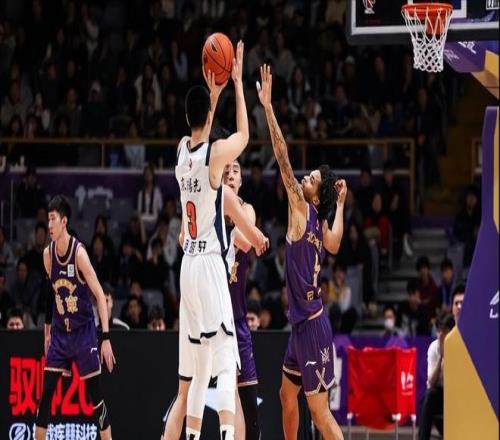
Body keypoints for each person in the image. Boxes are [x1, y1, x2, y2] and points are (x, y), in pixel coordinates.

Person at [173, 41, 268, 440]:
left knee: (198, 368)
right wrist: (238, 85)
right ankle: (228, 435)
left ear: (187, 117)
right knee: (226, 361)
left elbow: (202, 130)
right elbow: (244, 134)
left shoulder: (182, 152)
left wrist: (212, 94)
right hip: (211, 263)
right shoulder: (215, 157)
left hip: (187, 267)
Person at [257, 64, 345, 440]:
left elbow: (282, 155)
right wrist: (341, 203)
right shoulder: (319, 223)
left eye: (312, 180)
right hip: (301, 325)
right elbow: (335, 244)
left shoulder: (301, 208)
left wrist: (268, 107)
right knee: (285, 396)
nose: (306, 177)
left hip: (313, 327)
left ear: (314, 196)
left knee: (320, 413)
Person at [35, 195, 115, 440]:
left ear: (64, 221)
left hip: (83, 333)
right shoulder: (48, 255)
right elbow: (50, 294)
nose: (49, 225)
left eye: (53, 219)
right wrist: (47, 332)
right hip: (60, 333)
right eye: (48, 220)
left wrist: (105, 338)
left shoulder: (79, 254)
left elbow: (100, 295)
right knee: (46, 394)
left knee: (96, 397)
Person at [419, 313, 455, 440]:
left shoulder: (459, 348)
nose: (440, 334)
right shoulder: (433, 348)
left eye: (444, 331)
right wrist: (441, 357)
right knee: (428, 397)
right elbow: (431, 382)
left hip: (455, 394)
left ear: (452, 332)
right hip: (440, 394)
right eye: (438, 330)